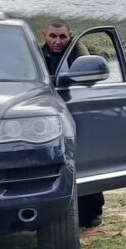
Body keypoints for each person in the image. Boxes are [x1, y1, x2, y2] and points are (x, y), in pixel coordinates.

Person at [42, 19, 103, 228]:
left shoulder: (78, 52)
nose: (57, 41)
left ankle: (91, 211)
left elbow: (89, 79)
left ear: (70, 36)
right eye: (53, 36)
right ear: (44, 35)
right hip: (47, 113)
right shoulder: (37, 53)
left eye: (63, 37)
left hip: (76, 110)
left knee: (84, 158)